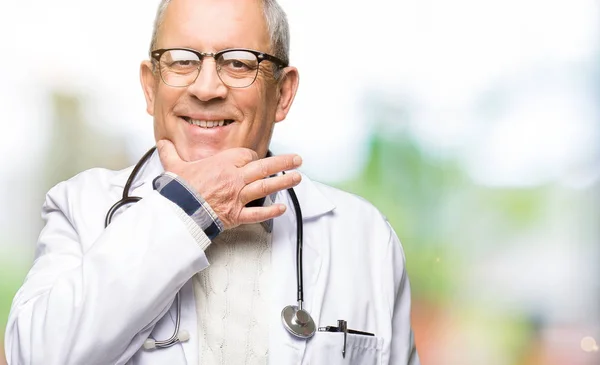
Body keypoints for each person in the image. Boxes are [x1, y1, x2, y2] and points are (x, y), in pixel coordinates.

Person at [4, 0, 420, 364]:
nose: (206, 88)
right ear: (151, 86)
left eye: (239, 62)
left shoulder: (365, 237)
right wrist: (186, 209)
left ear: (284, 93)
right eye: (182, 60)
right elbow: (34, 357)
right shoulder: (81, 207)